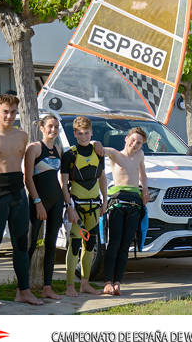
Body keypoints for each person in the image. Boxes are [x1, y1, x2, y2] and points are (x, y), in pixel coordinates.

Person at [0, 94, 43, 309]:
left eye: (13, 112)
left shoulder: (22, 136)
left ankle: (23, 291)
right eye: (6, 111)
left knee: (21, 244)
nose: (10, 116)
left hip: (18, 192)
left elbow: (28, 168)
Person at [60, 116, 107, 297]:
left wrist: (105, 200)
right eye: (80, 133)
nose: (84, 136)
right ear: (74, 133)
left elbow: (101, 177)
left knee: (91, 246)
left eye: (87, 133)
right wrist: (69, 207)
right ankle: (70, 285)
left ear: (91, 132)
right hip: (77, 206)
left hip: (95, 205)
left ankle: (85, 284)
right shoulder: (69, 154)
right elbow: (63, 184)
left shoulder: (98, 152)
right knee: (74, 245)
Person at [102, 127, 149, 296]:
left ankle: (117, 282)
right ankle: (107, 281)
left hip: (134, 204)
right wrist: (92, 142)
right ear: (126, 138)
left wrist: (145, 191)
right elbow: (101, 149)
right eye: (133, 140)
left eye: (139, 143)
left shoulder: (140, 155)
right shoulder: (116, 154)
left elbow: (143, 175)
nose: (135, 144)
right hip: (117, 204)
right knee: (114, 243)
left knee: (125, 246)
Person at [24, 114, 63, 300]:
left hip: (56, 202)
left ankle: (47, 287)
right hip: (38, 202)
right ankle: (22, 288)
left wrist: (67, 203)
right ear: (41, 127)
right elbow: (28, 178)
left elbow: (61, 179)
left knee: (51, 245)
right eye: (50, 126)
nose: (53, 130)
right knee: (30, 245)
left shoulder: (58, 149)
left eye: (56, 126)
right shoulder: (34, 148)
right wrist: (37, 202)